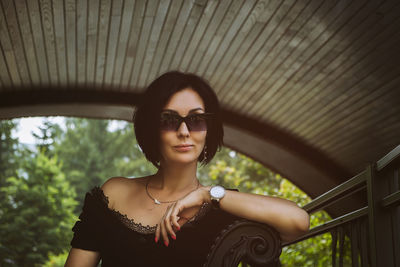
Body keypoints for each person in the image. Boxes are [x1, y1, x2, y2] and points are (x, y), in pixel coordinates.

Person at [65, 71, 310, 266]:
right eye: (169, 120)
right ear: (152, 129)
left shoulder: (222, 205)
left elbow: (299, 221)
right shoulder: (114, 194)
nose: (184, 132)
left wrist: (207, 195)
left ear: (208, 130)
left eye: (196, 120)